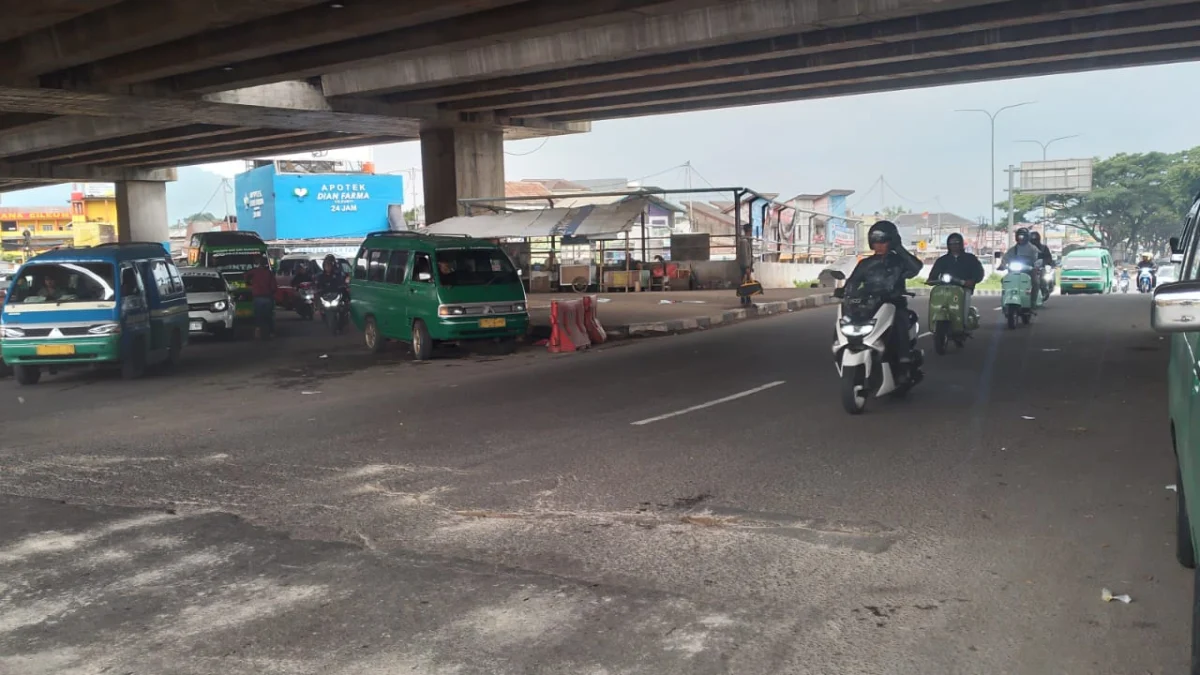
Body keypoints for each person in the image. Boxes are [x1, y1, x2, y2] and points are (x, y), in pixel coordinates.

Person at [843, 220, 922, 363]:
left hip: (894, 304)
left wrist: (900, 249)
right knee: (849, 321)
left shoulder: (899, 261)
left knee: (900, 323)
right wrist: (844, 291)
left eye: (883, 241)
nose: (878, 246)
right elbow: (853, 281)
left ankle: (904, 360)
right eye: (875, 242)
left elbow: (916, 267)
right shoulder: (865, 264)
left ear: (892, 242)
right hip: (871, 305)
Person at [244, 255, 277, 340]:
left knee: (258, 315)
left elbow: (245, 276)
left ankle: (257, 331)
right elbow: (274, 287)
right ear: (266, 264)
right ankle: (271, 332)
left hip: (257, 297)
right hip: (268, 297)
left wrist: (249, 284)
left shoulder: (254, 272)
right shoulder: (269, 273)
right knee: (268, 316)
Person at [736, 223, 754, 306]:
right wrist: (747, 266)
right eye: (750, 230)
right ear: (748, 231)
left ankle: (745, 298)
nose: (751, 232)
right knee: (745, 282)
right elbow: (744, 255)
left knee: (745, 282)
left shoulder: (745, 240)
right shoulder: (744, 241)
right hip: (745, 265)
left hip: (746, 265)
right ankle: (745, 298)